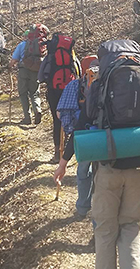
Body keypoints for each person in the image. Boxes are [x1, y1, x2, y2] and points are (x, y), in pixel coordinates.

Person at [54, 39, 140, 269]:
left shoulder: (99, 85)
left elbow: (81, 125)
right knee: (130, 228)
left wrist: (63, 162)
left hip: (108, 168)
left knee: (106, 231)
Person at [56, 56, 99, 217]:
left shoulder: (75, 85)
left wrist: (70, 129)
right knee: (100, 174)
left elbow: (61, 112)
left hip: (83, 135)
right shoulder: (111, 85)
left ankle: (82, 207)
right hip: (106, 134)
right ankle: (97, 210)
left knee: (83, 171)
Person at [38, 32, 81, 162]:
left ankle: (57, 152)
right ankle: (68, 148)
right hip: (70, 90)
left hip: (54, 90)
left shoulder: (50, 57)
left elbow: (40, 76)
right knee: (70, 117)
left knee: (56, 120)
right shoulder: (71, 56)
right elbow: (79, 71)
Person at [9, 25, 49, 125]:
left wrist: (9, 66)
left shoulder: (22, 45)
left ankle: (27, 117)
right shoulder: (42, 45)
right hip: (36, 70)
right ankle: (37, 109)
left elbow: (14, 60)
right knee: (34, 92)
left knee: (23, 94)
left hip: (24, 70)